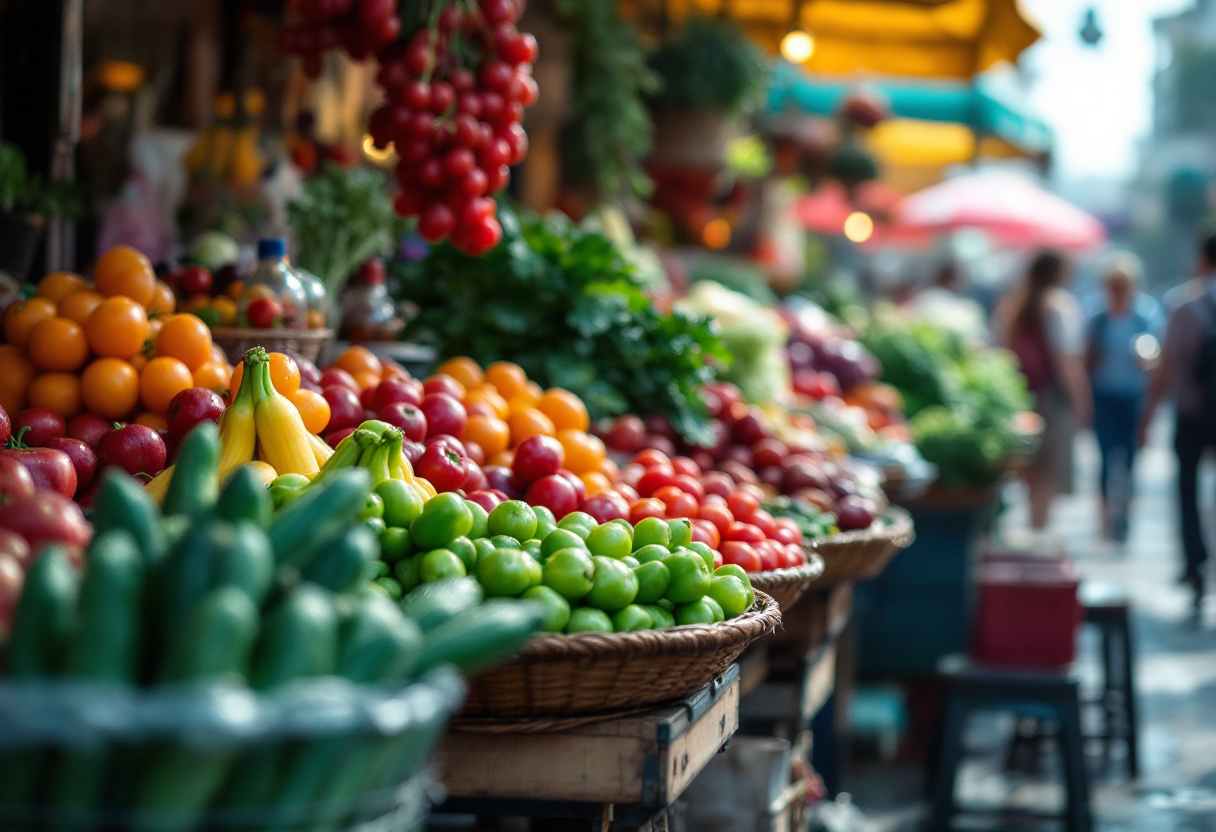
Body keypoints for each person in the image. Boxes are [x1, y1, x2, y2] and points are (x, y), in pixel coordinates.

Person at [1139, 232, 1216, 606]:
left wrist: (1149, 415)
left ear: (1202, 259)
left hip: (1191, 413)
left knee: (1187, 490)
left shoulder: (1187, 306)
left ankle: (1195, 564)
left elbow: (1165, 366)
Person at [993, 250, 1092, 530]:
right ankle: (1038, 528)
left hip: (1020, 395)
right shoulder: (1059, 306)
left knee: (1029, 466)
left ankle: (1030, 525)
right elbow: (1067, 362)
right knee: (1049, 468)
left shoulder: (1012, 306)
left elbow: (1000, 352)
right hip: (1051, 397)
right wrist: (1081, 401)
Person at [1085, 253, 1165, 542]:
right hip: (1104, 396)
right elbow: (1086, 359)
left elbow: (1157, 358)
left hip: (1133, 397)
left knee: (1130, 461)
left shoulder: (1145, 314)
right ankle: (1106, 520)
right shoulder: (1098, 317)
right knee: (1107, 460)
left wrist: (1147, 360)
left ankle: (1125, 519)